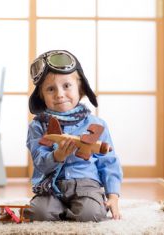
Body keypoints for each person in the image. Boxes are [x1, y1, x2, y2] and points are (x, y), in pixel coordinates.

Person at [24, 50, 123, 222]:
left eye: (67, 86)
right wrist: (57, 156)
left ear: (81, 88)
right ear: (41, 96)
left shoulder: (97, 124)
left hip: (86, 185)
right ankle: (59, 209)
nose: (59, 94)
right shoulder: (38, 126)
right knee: (38, 213)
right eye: (50, 89)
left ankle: (76, 210)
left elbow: (109, 162)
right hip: (50, 188)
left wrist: (113, 196)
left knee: (90, 214)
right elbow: (39, 161)